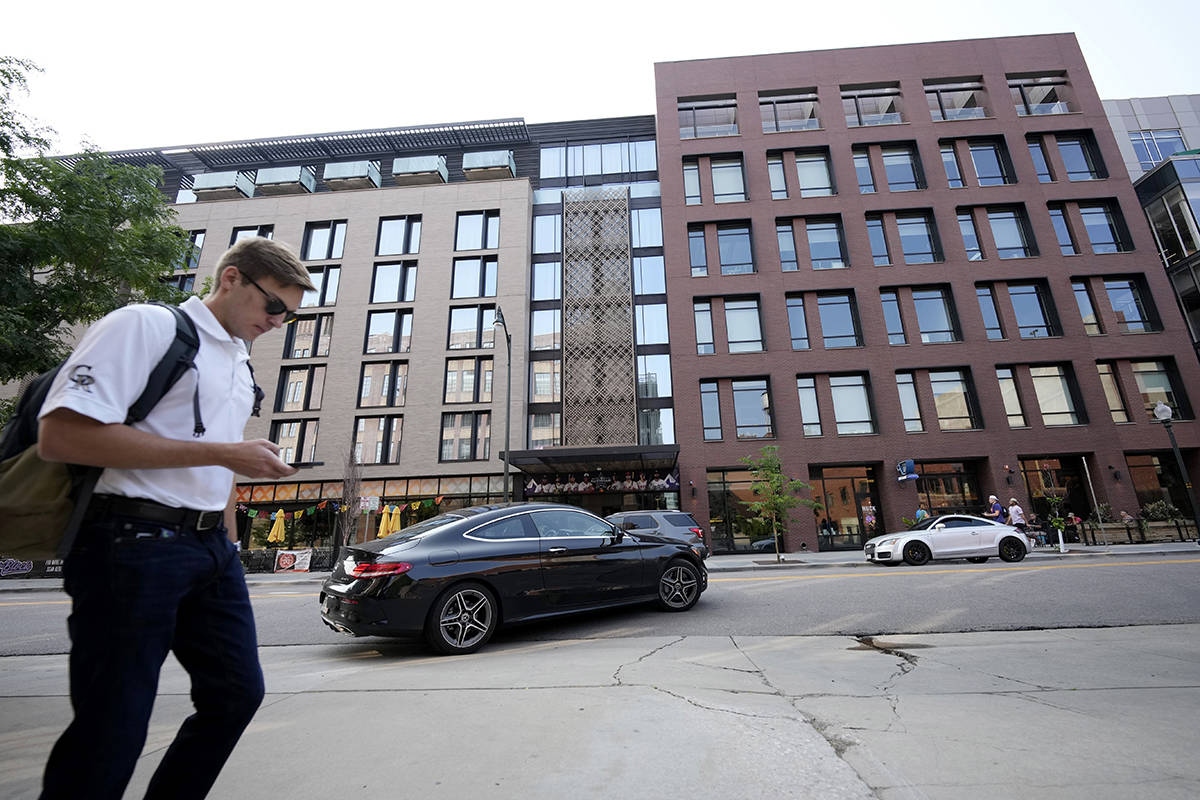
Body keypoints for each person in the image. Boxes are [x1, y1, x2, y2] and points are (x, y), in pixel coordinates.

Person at [36, 237, 314, 800]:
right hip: (131, 541)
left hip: (211, 551)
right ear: (231, 279)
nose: (278, 322)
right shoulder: (146, 326)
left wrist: (230, 542)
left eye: (289, 315)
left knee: (235, 695)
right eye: (274, 306)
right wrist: (222, 453)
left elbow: (221, 470)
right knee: (114, 720)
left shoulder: (237, 359)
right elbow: (61, 435)